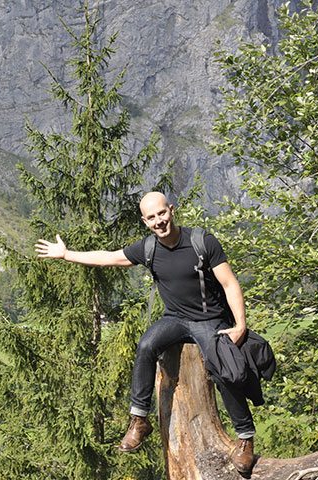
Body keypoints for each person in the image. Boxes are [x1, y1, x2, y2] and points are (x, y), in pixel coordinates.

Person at [34, 191, 256, 474]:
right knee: (146, 345)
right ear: (145, 221)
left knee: (220, 364)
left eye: (162, 214)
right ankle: (140, 419)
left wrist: (240, 325)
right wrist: (66, 255)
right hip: (175, 318)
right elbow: (110, 258)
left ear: (172, 210)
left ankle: (245, 436)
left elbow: (229, 284)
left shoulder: (202, 241)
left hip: (209, 319)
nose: (158, 221)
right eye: (151, 218)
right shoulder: (149, 248)